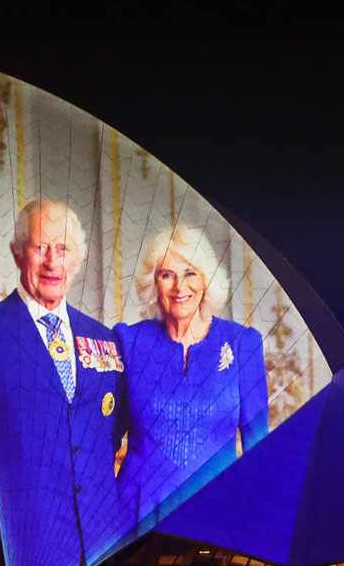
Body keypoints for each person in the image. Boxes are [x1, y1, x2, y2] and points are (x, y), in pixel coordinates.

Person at [0, 198, 130, 566]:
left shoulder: (105, 340)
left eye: (63, 249)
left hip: (104, 556)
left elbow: (114, 433)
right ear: (18, 253)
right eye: (40, 248)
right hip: (26, 559)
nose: (52, 262)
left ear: (79, 258)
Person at [114, 224, 269, 530]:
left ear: (206, 280)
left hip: (220, 518)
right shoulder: (127, 342)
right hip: (137, 522)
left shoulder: (242, 343)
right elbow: (105, 441)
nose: (179, 287)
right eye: (166, 274)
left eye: (190, 273)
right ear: (153, 283)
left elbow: (259, 447)